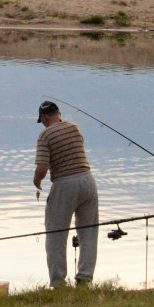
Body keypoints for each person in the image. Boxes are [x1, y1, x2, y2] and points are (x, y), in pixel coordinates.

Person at [33, 100, 98, 287]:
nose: (43, 124)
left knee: (56, 235)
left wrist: (37, 181)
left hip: (64, 184)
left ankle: (58, 283)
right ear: (58, 114)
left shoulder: (45, 134)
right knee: (88, 233)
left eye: (42, 120)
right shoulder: (74, 128)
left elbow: (42, 168)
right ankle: (84, 279)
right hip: (88, 181)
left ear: (45, 117)